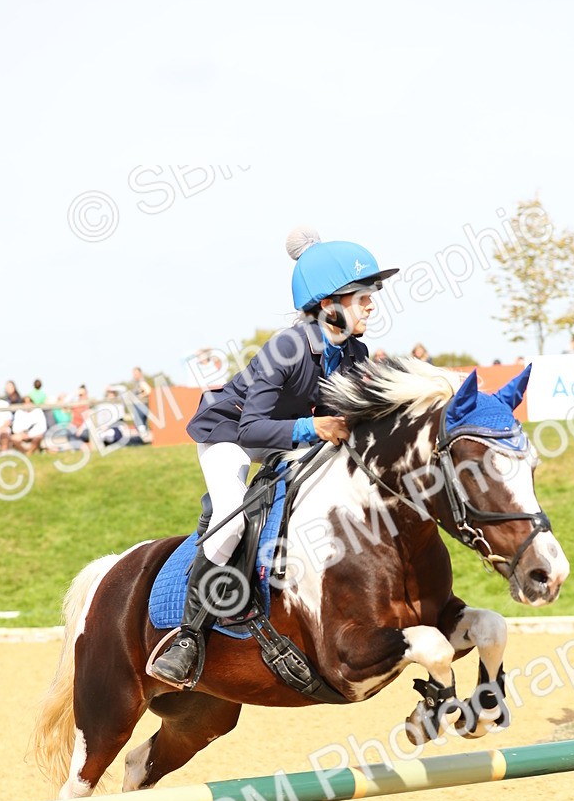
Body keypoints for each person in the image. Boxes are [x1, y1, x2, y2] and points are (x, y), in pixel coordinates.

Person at [150, 226, 398, 686]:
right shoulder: (286, 347)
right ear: (330, 305)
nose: (371, 305)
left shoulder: (355, 352)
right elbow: (252, 427)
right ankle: (189, 637)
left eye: (371, 297)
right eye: (363, 297)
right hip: (231, 433)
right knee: (231, 517)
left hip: (286, 435)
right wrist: (313, 427)